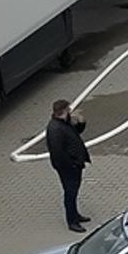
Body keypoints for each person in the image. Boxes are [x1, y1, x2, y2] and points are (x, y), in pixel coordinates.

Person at [45, 100, 91, 233]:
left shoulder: (65, 122)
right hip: (68, 168)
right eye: (68, 109)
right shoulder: (55, 129)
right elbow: (57, 153)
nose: (70, 111)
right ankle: (72, 221)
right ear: (63, 110)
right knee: (70, 193)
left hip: (74, 164)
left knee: (73, 191)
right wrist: (72, 165)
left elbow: (76, 132)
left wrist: (81, 121)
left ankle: (75, 215)